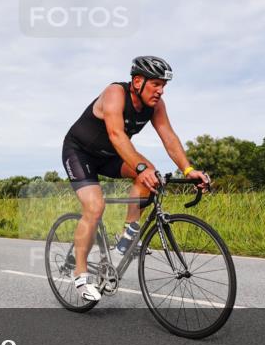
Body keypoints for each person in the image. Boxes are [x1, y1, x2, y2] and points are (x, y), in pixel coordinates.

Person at [61, 56, 211, 301]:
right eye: (156, 84)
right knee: (95, 206)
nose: (160, 90)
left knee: (152, 175)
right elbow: (116, 133)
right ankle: (80, 273)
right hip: (80, 152)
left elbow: (168, 137)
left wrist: (188, 169)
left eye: (163, 85)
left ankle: (127, 237)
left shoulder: (156, 105)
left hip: (110, 155)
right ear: (138, 81)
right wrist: (140, 166)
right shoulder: (115, 93)